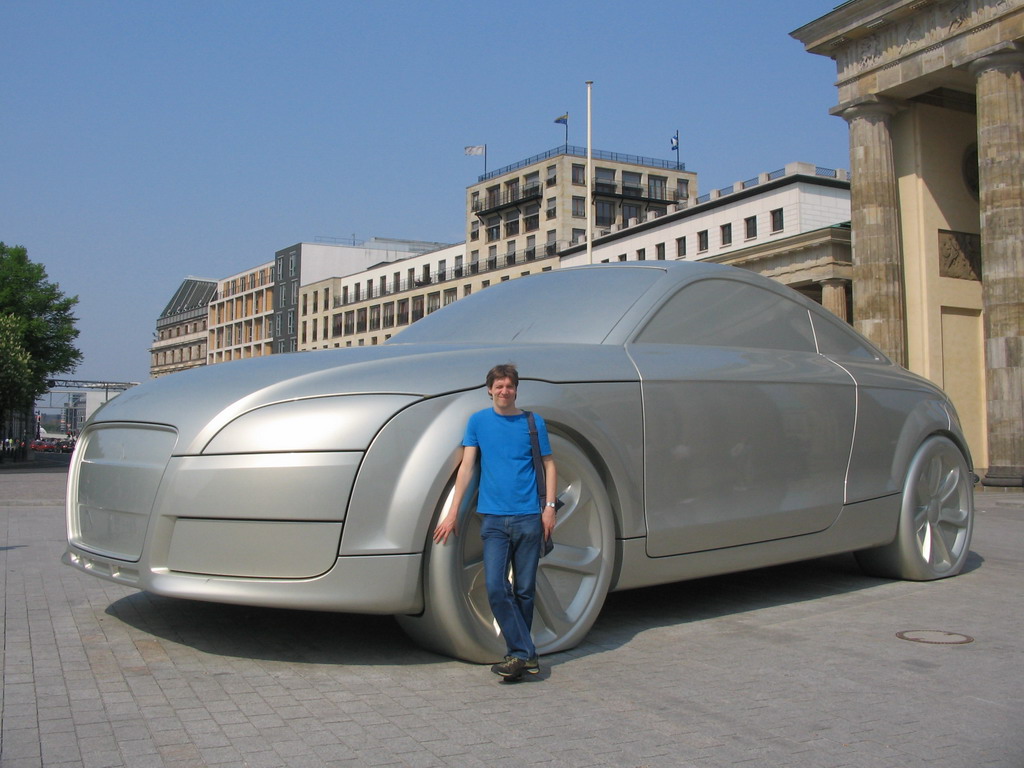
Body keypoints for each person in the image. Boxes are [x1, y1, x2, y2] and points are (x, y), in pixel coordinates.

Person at [433, 363, 557, 681]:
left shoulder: (533, 422)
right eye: (499, 386)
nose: (504, 391)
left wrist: (549, 508)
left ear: (516, 390)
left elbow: (548, 464)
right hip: (493, 519)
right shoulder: (477, 422)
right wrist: (452, 512)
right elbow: (467, 468)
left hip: (530, 517)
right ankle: (525, 653)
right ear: (489, 389)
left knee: (526, 590)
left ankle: (519, 656)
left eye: (509, 386)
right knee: (496, 588)